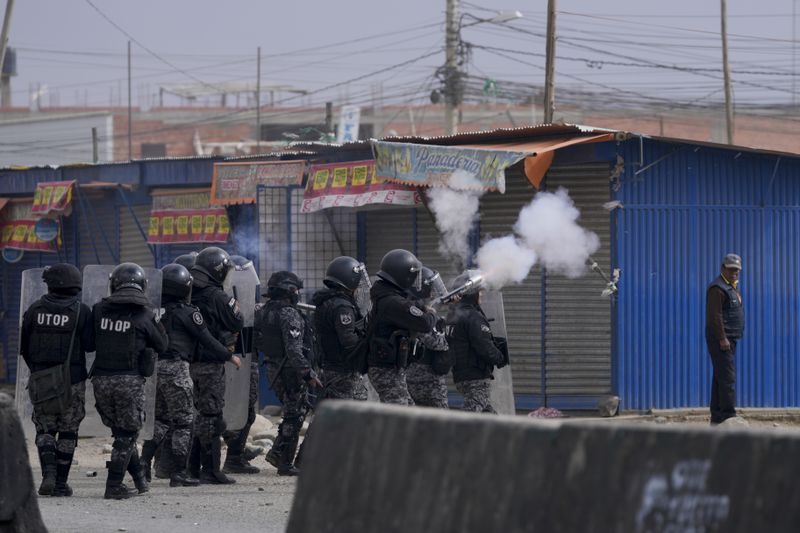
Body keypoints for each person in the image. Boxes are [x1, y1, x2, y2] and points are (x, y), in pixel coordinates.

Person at [141, 263, 236, 487]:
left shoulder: (153, 311)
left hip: (155, 368)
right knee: (185, 422)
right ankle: (180, 472)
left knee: (162, 421)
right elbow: (207, 339)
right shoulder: (188, 313)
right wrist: (228, 356)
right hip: (176, 368)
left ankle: (144, 463)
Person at [91, 263, 168, 499]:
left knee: (123, 433)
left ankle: (140, 482)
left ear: (114, 284)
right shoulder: (145, 315)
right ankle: (114, 486)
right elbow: (163, 345)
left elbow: (89, 342)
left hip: (101, 380)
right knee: (128, 434)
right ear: (142, 286)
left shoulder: (98, 310)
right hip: (129, 381)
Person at [20, 263, 94, 497]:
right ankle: (61, 483)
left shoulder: (34, 309)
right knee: (69, 431)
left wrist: (39, 372)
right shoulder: (82, 311)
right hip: (72, 380)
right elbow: (91, 345)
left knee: (45, 429)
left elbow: (24, 348)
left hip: (41, 380)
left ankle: (47, 475)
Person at [256, 271, 321, 476]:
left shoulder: (264, 311)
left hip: (274, 368)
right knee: (295, 415)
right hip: (289, 371)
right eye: (296, 290)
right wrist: (308, 373)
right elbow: (294, 349)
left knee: (292, 413)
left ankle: (277, 454)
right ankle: (285, 463)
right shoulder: (289, 313)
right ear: (290, 291)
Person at [188, 247, 244, 484]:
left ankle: (191, 468)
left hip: (188, 362)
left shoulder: (187, 292)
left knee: (194, 415)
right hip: (211, 363)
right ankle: (211, 470)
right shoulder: (218, 297)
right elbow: (237, 320)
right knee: (212, 415)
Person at [368, 249, 436, 405]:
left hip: (389, 366)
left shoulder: (388, 297)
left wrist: (422, 306)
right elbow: (425, 324)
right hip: (385, 368)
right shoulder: (393, 302)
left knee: (407, 412)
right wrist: (432, 313)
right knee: (399, 415)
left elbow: (410, 305)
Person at [222, 255, 263, 475]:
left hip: (243, 360)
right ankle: (233, 458)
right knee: (240, 411)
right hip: (234, 362)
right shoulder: (223, 304)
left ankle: (236, 452)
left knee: (245, 412)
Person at [446, 272, 506, 414]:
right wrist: (500, 357)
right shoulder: (473, 317)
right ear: (471, 294)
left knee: (488, 415)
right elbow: (484, 346)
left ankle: (501, 436)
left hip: (460, 374)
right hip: (475, 376)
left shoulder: (452, 314)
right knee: (471, 415)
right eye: (479, 292)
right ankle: (453, 435)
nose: (482, 295)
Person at [312, 256, 369, 401]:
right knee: (344, 416)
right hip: (342, 372)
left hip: (331, 367)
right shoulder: (342, 306)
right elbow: (348, 340)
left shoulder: (326, 302)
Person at [706, 253, 744, 425]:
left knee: (720, 376)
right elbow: (714, 316)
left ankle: (717, 417)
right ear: (723, 268)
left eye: (736, 270)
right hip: (722, 340)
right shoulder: (718, 288)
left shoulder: (731, 286)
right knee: (728, 377)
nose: (734, 272)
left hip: (729, 339)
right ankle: (728, 415)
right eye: (730, 269)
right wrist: (722, 338)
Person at [406, 267, 451, 409]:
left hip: (410, 376)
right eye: (430, 289)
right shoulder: (420, 313)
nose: (432, 294)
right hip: (427, 379)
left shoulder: (406, 306)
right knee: (441, 424)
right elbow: (437, 344)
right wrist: (441, 329)